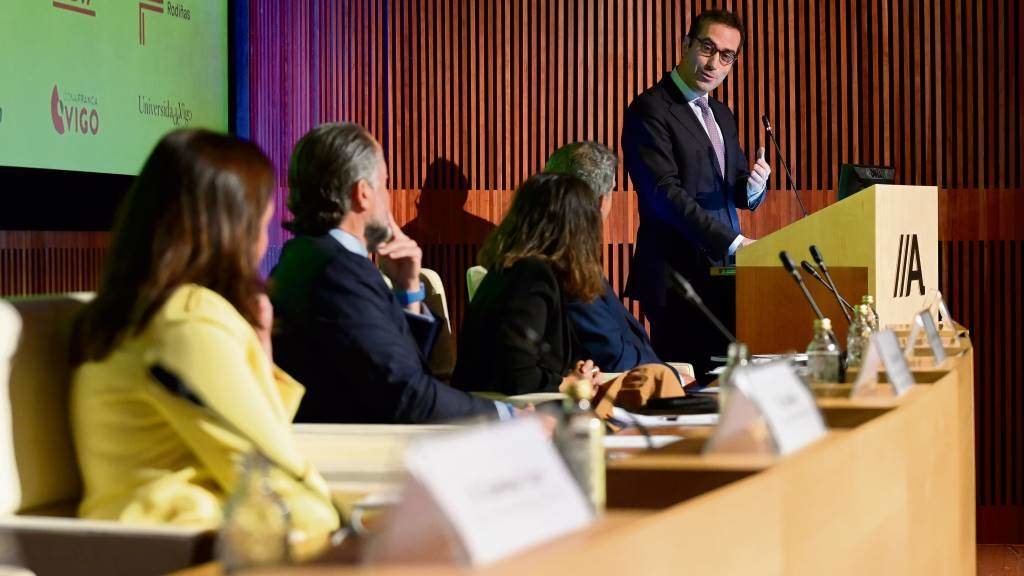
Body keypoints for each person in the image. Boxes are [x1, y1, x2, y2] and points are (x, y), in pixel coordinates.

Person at [70, 129, 339, 544]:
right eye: (261, 226)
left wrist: (259, 352)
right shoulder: (186, 323)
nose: (263, 242)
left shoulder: (149, 313)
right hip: (185, 552)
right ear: (233, 230)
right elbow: (281, 485)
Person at [269, 122, 511, 423]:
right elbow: (407, 394)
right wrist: (507, 414)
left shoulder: (307, 257)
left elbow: (396, 369)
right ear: (363, 194)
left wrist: (407, 291)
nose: (389, 198)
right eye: (384, 184)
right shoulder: (339, 272)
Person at [621, 9, 771, 382]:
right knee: (690, 393)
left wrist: (752, 189)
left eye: (726, 56)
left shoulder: (721, 113)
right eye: (707, 48)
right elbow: (663, 193)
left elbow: (732, 185)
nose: (714, 63)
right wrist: (735, 242)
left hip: (726, 276)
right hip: (678, 279)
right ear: (686, 44)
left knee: (731, 388)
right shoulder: (650, 108)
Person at [452, 173, 603, 396]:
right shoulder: (532, 275)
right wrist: (568, 384)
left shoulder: (513, 269)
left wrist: (578, 372)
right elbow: (518, 375)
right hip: (503, 418)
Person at [544, 142, 682, 384]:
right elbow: (613, 354)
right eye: (612, 192)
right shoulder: (563, 262)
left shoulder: (565, 252)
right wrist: (670, 377)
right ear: (599, 201)